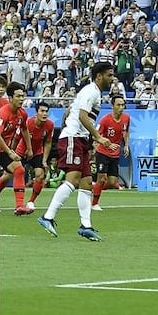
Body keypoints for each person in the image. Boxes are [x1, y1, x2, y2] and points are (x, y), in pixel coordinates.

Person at [37, 62, 118, 241]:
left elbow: (74, 112)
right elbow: (82, 115)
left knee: (87, 183)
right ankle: (47, 217)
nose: (112, 79)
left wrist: (89, 141)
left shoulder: (93, 92)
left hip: (80, 139)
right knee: (72, 180)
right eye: (109, 75)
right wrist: (99, 137)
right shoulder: (91, 91)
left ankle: (85, 225)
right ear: (99, 76)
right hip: (73, 138)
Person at [91, 94, 131, 210]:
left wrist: (126, 145)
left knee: (112, 182)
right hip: (102, 153)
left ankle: (94, 189)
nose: (121, 107)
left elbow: (126, 132)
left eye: (123, 105)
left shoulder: (126, 118)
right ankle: (94, 203)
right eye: (118, 105)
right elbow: (95, 135)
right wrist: (105, 142)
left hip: (115, 154)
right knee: (102, 178)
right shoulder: (105, 120)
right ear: (112, 106)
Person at [0, 81, 32, 213]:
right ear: (10, 98)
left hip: (2, 149)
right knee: (17, 171)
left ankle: (19, 206)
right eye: (18, 96)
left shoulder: (22, 113)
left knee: (18, 170)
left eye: (22, 96)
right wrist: (10, 152)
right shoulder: (3, 113)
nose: (21, 99)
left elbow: (24, 129)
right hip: (1, 147)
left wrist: (29, 148)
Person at [18, 101, 55, 214]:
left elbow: (48, 142)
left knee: (40, 175)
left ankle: (31, 202)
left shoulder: (50, 125)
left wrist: (44, 160)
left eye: (46, 112)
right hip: (22, 152)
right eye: (42, 111)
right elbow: (16, 137)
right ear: (36, 112)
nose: (44, 114)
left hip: (37, 152)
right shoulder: (27, 123)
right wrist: (12, 152)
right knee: (9, 175)